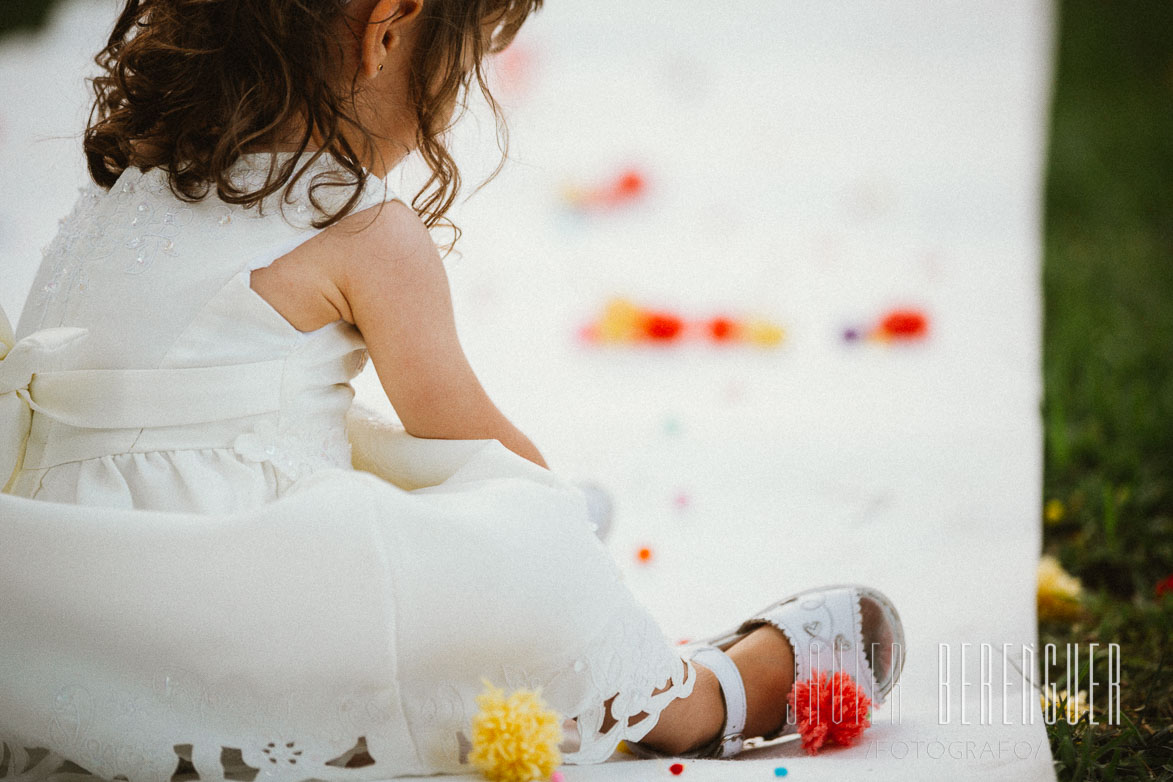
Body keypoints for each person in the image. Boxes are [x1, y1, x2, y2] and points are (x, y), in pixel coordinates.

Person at [0, 0, 905, 779]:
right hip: (237, 620)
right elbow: (488, 453)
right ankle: (702, 701)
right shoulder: (365, 234)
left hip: (60, 628)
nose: (454, 99)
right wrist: (533, 539)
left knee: (349, 459)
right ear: (386, 32)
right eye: (462, 66)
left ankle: (472, 573)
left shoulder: (121, 199)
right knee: (532, 545)